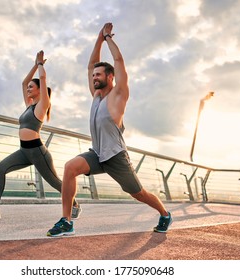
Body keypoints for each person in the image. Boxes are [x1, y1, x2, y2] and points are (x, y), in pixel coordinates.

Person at [47, 23, 172, 237]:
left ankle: (164, 214)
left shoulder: (118, 96)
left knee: (139, 193)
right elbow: (90, 66)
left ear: (110, 77)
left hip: (115, 156)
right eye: (93, 75)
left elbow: (119, 61)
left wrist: (108, 38)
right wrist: (98, 39)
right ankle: (66, 221)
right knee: (70, 168)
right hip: (97, 153)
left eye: (98, 75)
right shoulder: (96, 96)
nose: (94, 77)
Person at [0, 50, 81, 220]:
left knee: (55, 182)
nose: (29, 88)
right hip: (24, 151)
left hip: (38, 152)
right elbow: (24, 83)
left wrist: (40, 65)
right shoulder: (29, 106)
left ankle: (75, 203)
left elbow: (43, 79)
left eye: (33, 86)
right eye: (29, 87)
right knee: (0, 168)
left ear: (40, 90)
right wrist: (34, 65)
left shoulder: (42, 105)